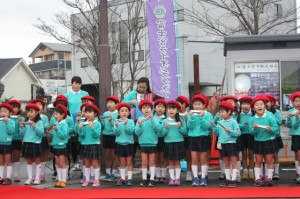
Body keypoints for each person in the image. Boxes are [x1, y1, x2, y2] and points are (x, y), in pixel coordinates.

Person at [249, 95, 279, 187]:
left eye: (261, 104)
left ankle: (269, 178)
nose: (259, 106)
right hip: (258, 141)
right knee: (258, 160)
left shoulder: (269, 117)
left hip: (268, 141)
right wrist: (254, 129)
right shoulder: (252, 119)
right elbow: (251, 132)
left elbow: (276, 128)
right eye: (257, 105)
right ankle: (257, 179)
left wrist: (270, 129)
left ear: (264, 106)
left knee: (269, 160)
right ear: (254, 108)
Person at [211, 101, 241, 188]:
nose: (221, 113)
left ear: (229, 112)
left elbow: (238, 133)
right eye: (220, 111)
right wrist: (214, 127)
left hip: (231, 144)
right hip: (222, 144)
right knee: (226, 163)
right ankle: (228, 179)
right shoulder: (220, 122)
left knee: (234, 162)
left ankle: (234, 180)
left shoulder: (233, 122)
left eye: (223, 111)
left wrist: (230, 131)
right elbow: (217, 133)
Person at [187, 94, 213, 187]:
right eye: (195, 104)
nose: (197, 106)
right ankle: (195, 177)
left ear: (204, 105)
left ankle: (203, 177)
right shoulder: (191, 114)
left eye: (199, 104)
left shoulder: (208, 114)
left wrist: (201, 118)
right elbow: (189, 126)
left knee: (203, 159)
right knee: (194, 158)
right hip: (193, 138)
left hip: (203, 138)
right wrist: (192, 117)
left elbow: (208, 127)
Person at [162, 100, 187, 186]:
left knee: (177, 162)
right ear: (167, 110)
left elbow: (185, 132)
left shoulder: (181, 120)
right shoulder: (165, 121)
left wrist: (180, 127)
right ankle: (172, 178)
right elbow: (162, 133)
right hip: (168, 143)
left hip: (179, 142)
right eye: (169, 108)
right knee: (171, 162)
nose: (171, 110)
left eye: (173, 108)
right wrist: (166, 128)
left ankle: (177, 178)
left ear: (177, 110)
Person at [135, 99, 159, 187]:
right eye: (144, 107)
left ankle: (152, 179)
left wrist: (152, 120)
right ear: (141, 110)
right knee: (144, 162)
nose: (146, 109)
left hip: (153, 143)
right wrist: (140, 125)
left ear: (151, 109)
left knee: (152, 162)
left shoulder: (155, 119)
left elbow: (158, 129)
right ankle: (144, 178)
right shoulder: (139, 120)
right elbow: (137, 132)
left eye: (148, 107)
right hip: (143, 143)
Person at [20, 103, 45, 185]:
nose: (29, 113)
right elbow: (22, 135)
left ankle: (37, 178)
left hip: (36, 143)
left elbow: (41, 133)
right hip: (27, 143)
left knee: (38, 161)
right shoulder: (26, 122)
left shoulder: (39, 122)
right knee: (29, 161)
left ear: (37, 112)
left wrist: (35, 126)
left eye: (31, 111)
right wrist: (22, 127)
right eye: (28, 112)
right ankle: (30, 178)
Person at [78, 104, 102, 187]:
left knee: (95, 163)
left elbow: (97, 135)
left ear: (95, 114)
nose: (87, 114)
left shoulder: (98, 123)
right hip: (85, 144)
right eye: (86, 112)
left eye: (90, 112)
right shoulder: (84, 123)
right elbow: (82, 136)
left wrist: (92, 128)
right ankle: (87, 179)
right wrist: (80, 129)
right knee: (86, 163)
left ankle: (96, 180)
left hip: (94, 145)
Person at [113, 103, 135, 186]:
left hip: (129, 144)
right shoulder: (116, 121)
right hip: (119, 143)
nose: (124, 113)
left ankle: (129, 178)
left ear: (129, 113)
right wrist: (117, 126)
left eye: (126, 111)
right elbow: (116, 133)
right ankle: (122, 178)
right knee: (122, 162)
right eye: (122, 111)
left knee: (129, 162)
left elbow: (131, 132)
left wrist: (125, 124)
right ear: (119, 113)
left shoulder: (131, 121)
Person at [47, 104, 69, 188]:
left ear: (62, 114)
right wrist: (50, 133)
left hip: (62, 146)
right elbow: (53, 136)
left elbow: (63, 136)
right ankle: (59, 180)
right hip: (55, 145)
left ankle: (64, 181)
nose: (55, 116)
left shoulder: (64, 124)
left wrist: (57, 130)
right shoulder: (55, 123)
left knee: (62, 163)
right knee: (58, 163)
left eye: (56, 114)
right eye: (54, 114)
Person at [31, 98, 50, 183]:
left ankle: (42, 174)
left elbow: (46, 126)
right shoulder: (30, 116)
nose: (38, 106)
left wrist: (40, 123)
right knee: (34, 157)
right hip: (33, 139)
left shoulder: (44, 117)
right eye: (36, 104)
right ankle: (34, 175)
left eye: (40, 105)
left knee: (42, 156)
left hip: (42, 138)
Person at [102, 96, 119, 182]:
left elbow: (118, 125)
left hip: (114, 136)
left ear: (116, 104)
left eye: (111, 103)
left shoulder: (118, 114)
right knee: (107, 155)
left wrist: (111, 120)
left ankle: (114, 173)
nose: (109, 104)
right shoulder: (105, 114)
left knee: (114, 156)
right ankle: (108, 173)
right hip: (106, 136)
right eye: (108, 103)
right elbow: (103, 125)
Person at [265, 94, 283, 180]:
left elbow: (279, 122)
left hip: (275, 136)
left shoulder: (277, 112)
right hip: (265, 137)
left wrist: (270, 116)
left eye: (267, 102)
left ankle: (276, 172)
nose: (266, 104)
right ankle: (267, 173)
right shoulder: (261, 113)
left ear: (272, 103)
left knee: (275, 155)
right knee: (266, 156)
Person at [237, 96, 254, 180]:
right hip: (242, 136)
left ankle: (251, 171)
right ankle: (244, 172)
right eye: (244, 104)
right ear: (241, 105)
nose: (246, 106)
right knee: (243, 155)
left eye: (248, 104)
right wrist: (243, 125)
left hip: (251, 136)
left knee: (251, 155)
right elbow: (236, 125)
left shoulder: (253, 114)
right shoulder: (238, 115)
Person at [175, 96, 192, 182]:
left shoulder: (189, 114)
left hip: (188, 137)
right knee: (177, 157)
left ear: (184, 104)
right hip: (177, 138)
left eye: (179, 103)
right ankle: (176, 175)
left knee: (189, 156)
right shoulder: (174, 115)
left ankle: (189, 173)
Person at [7, 100, 24, 183]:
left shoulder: (21, 118)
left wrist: (20, 122)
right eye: (12, 107)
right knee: (7, 158)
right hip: (7, 140)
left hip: (17, 140)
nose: (13, 109)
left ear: (19, 108)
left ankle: (16, 175)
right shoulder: (5, 118)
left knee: (16, 157)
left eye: (15, 107)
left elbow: (23, 130)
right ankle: (8, 176)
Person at [285, 91, 300, 183]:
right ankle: (298, 174)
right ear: (293, 103)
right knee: (297, 154)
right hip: (296, 135)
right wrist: (290, 118)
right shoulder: (291, 111)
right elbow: (289, 125)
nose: (298, 103)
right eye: (296, 101)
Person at [0, 103, 15, 185]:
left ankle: (8, 177)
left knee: (8, 161)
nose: (2, 113)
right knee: (0, 161)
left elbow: (10, 131)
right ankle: (1, 177)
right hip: (0, 143)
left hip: (7, 143)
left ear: (9, 113)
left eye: (5, 112)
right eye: (1, 111)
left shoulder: (11, 122)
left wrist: (7, 123)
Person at [153, 99, 167, 183]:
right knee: (155, 159)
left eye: (162, 107)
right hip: (153, 140)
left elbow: (163, 130)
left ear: (165, 109)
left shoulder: (167, 119)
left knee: (163, 158)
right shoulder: (152, 118)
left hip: (163, 140)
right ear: (155, 108)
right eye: (158, 106)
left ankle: (163, 176)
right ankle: (157, 175)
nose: (160, 109)